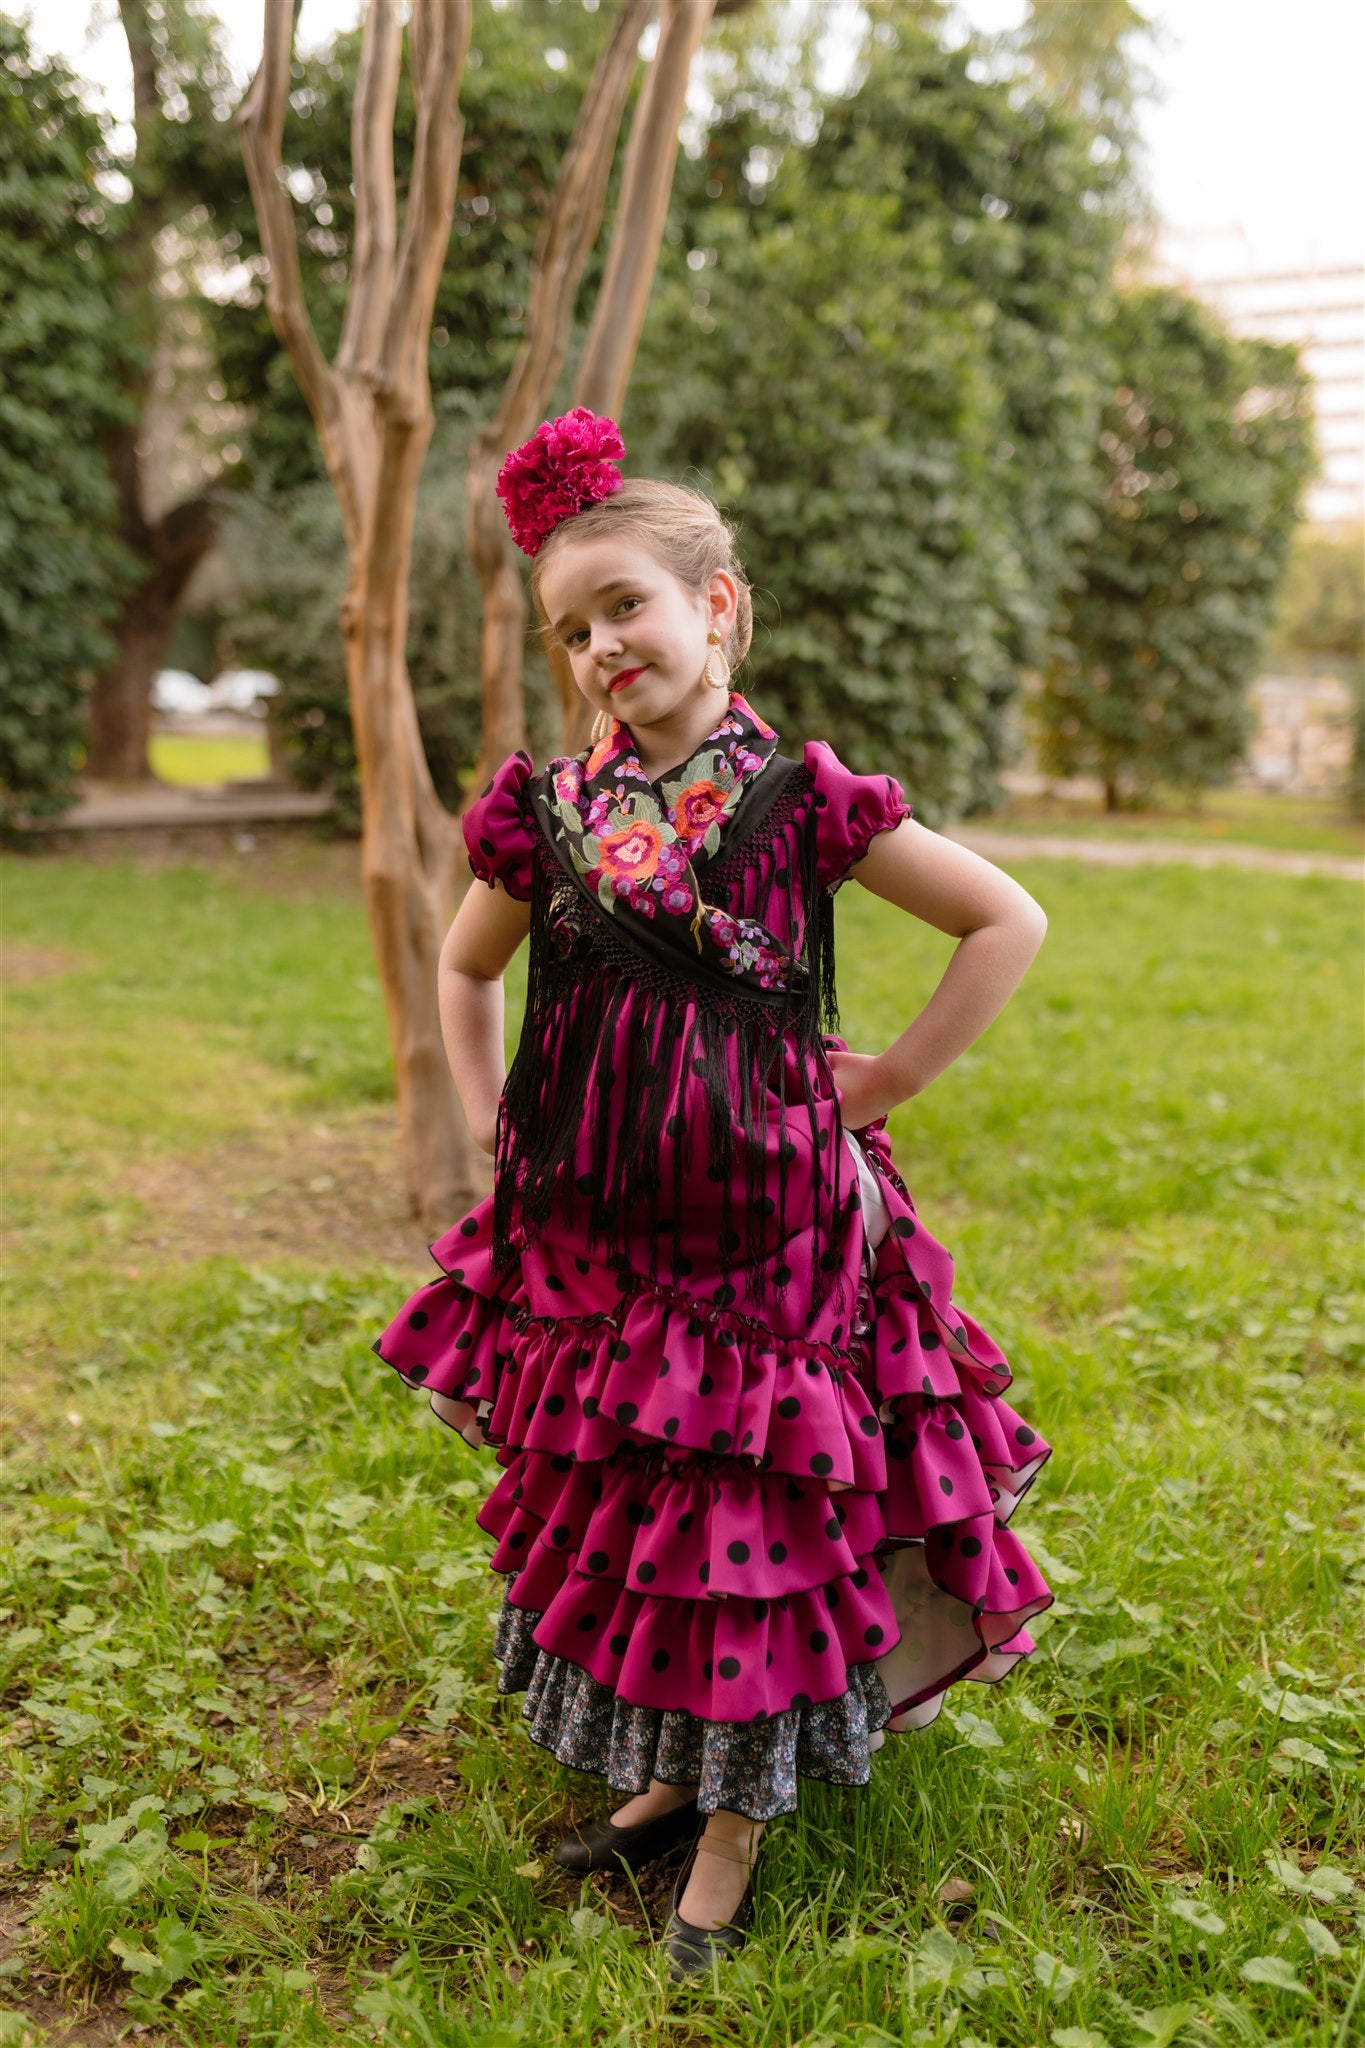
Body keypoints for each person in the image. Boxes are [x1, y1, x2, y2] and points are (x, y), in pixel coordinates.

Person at [374, 407, 1055, 1984]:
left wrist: (877, 1084)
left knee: (750, 1527)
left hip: (773, 1251)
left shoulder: (799, 801)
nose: (603, 642)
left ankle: (733, 1836)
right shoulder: (545, 816)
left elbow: (1002, 921)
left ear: (717, 607)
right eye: (571, 626)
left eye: (629, 603)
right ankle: (670, 1772)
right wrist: (500, 1129)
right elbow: (463, 971)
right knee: (648, 1520)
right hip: (603, 1246)